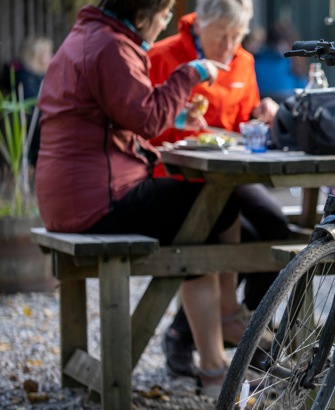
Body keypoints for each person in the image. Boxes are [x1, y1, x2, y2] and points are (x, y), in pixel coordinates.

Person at [35, 0, 240, 397]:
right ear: (145, 12)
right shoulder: (111, 45)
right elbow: (145, 118)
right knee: (216, 208)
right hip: (98, 202)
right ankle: (222, 341)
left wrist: (177, 118)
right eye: (165, 16)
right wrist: (190, 73)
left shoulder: (88, 36)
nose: (165, 26)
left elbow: (114, 116)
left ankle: (215, 364)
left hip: (70, 197)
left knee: (199, 222)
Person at [147, 0, 291, 380]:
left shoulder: (243, 61)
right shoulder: (165, 55)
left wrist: (262, 113)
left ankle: (247, 327)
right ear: (199, 28)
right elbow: (148, 122)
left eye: (237, 37)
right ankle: (187, 333)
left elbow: (244, 121)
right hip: (177, 176)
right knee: (219, 233)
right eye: (221, 37)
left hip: (228, 176)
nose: (229, 46)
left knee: (278, 231)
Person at [1, 36, 53, 167]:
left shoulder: (37, 76)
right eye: (48, 54)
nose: (51, 57)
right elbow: (35, 104)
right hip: (29, 131)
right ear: (38, 56)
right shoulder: (25, 77)